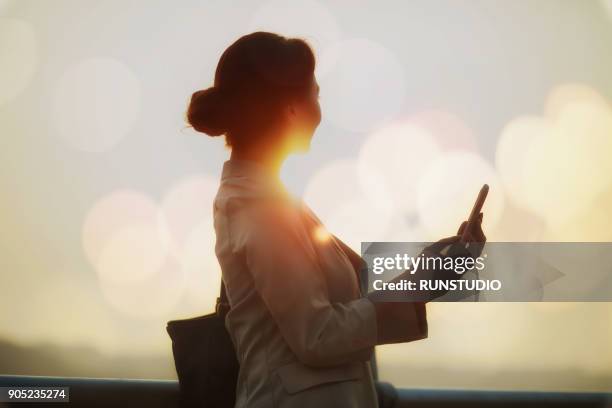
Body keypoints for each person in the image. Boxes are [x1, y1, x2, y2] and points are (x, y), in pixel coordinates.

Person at [186, 31, 485, 408]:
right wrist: (419, 283)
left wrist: (429, 268)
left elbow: (337, 305)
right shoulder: (259, 208)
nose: (319, 110)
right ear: (290, 107)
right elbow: (317, 335)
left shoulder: (267, 201)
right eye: (315, 94)